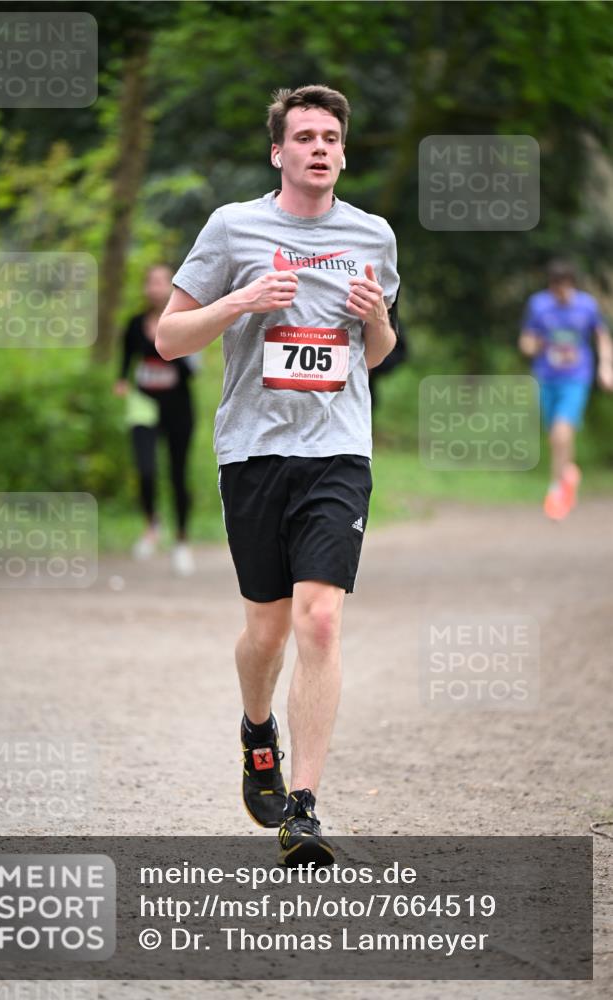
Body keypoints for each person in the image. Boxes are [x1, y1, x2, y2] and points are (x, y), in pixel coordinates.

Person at [156, 85, 399, 866]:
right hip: (254, 452)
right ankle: (256, 730)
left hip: (337, 450)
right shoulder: (232, 227)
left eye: (331, 136)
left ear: (342, 151)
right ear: (278, 152)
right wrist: (241, 300)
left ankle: (304, 808)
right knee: (265, 629)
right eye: (304, 136)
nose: (319, 147)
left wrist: (375, 320)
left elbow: (377, 351)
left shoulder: (372, 236)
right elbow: (168, 338)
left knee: (319, 619)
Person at [115, 264, 196, 576]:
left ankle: (181, 541)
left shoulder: (186, 322)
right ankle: (152, 526)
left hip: (178, 407)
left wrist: (174, 345)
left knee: (178, 474)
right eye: (151, 282)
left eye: (162, 282)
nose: (156, 287)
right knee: (145, 469)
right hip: (143, 405)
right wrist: (121, 380)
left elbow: (192, 369)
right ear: (145, 288)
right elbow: (125, 359)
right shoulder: (134, 324)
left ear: (174, 286)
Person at [519, 260, 612, 520]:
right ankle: (569, 474)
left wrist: (606, 367)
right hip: (547, 377)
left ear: (571, 285)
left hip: (576, 377)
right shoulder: (538, 305)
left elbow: (602, 337)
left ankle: (557, 490)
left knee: (562, 431)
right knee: (555, 436)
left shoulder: (587, 306)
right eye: (554, 288)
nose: (558, 294)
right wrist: (533, 346)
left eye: (563, 288)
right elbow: (526, 341)